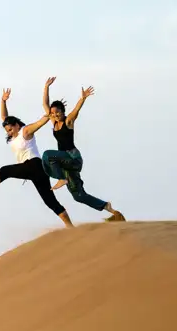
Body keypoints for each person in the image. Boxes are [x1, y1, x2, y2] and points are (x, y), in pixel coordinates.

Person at [0, 88, 75, 228]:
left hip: (33, 165)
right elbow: (4, 118)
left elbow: (40, 123)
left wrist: (49, 115)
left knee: (5, 171)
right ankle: (70, 227)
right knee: (50, 202)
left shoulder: (25, 131)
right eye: (7, 130)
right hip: (37, 171)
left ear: (17, 125)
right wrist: (3, 100)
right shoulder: (13, 134)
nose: (8, 132)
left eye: (10, 129)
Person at [41, 77, 125, 222]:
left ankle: (61, 178)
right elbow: (45, 104)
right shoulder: (54, 121)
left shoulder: (68, 121)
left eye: (58, 113)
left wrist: (83, 98)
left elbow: (76, 110)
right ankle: (110, 209)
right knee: (78, 196)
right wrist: (46, 87)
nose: (55, 115)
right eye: (53, 114)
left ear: (63, 111)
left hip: (73, 158)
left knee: (47, 155)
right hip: (64, 162)